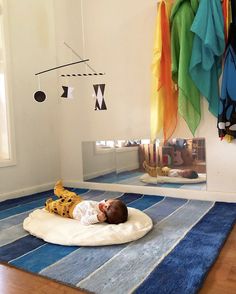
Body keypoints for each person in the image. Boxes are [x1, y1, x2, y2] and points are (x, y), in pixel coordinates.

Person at [45, 180, 128, 225]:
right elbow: (98, 203)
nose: (110, 199)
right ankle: (58, 190)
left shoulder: (95, 214)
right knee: (69, 194)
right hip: (77, 201)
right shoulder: (103, 205)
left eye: (112, 201)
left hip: (68, 210)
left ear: (107, 207)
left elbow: (84, 221)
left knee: (57, 205)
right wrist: (105, 202)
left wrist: (97, 218)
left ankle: (49, 205)